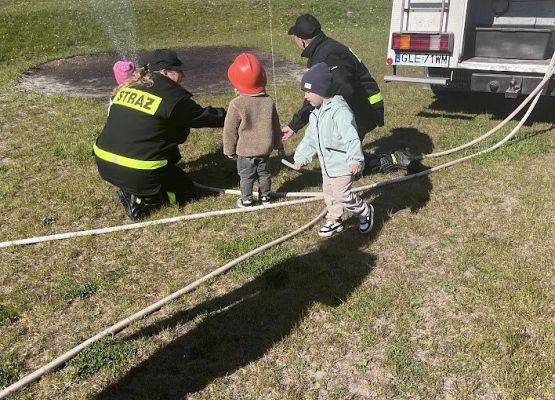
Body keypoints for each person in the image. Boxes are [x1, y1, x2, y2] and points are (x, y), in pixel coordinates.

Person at [94, 49, 226, 220]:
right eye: (179, 70)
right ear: (165, 72)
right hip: (138, 171)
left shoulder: (130, 86)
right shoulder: (172, 98)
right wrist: (238, 115)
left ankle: (132, 188)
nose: (183, 75)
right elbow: (205, 117)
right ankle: (145, 200)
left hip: (105, 164)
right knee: (187, 193)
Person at [284, 13, 413, 173]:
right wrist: (294, 125)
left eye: (294, 38)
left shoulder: (329, 57)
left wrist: (300, 124)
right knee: (338, 150)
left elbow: (336, 93)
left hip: (361, 109)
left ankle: (393, 159)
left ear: (302, 41)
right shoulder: (325, 49)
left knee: (344, 165)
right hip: (357, 105)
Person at [293, 63, 374, 237]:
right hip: (327, 165)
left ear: (321, 90)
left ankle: (364, 211)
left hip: (343, 164)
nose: (306, 96)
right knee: (329, 194)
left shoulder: (340, 112)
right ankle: (335, 219)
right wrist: (301, 157)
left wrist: (355, 159)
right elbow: (310, 139)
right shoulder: (316, 113)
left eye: (308, 91)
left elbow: (351, 137)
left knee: (342, 194)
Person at [223, 53, 284, 208]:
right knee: (264, 174)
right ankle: (266, 198)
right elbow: (276, 125)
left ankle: (247, 200)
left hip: (245, 152)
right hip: (264, 150)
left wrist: (229, 150)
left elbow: (230, 130)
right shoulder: (268, 101)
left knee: (246, 176)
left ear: (237, 84)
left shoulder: (236, 104)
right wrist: (278, 143)